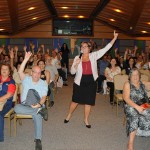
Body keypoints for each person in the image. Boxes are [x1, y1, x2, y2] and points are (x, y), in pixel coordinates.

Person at [64, 31, 118, 128]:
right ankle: (69, 114)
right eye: (82, 46)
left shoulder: (94, 55)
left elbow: (106, 48)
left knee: (88, 101)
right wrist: (75, 64)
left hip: (91, 81)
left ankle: (86, 119)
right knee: (75, 100)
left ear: (89, 48)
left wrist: (114, 38)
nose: (83, 48)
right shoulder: (77, 57)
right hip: (79, 81)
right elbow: (72, 72)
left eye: (85, 46)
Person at [14, 51, 48, 150]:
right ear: (31, 72)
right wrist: (25, 59)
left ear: (40, 73)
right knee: (16, 107)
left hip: (37, 104)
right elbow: (20, 71)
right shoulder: (26, 79)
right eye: (35, 72)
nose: (37, 75)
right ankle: (40, 111)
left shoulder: (43, 83)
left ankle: (38, 140)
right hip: (25, 105)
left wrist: (39, 104)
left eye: (39, 73)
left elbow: (44, 97)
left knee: (37, 114)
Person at [123, 68, 150, 150]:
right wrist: (137, 107)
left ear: (140, 76)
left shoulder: (143, 83)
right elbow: (126, 98)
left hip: (144, 105)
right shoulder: (127, 84)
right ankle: (130, 143)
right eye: (133, 75)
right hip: (131, 105)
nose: (135, 76)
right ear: (130, 76)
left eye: (137, 74)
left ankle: (142, 131)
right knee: (134, 116)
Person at [0, 64, 16, 142]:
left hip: (7, 103)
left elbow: (9, 95)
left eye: (6, 69)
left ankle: (0, 137)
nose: (4, 70)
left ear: (9, 72)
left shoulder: (11, 82)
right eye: (2, 68)